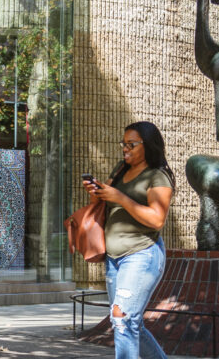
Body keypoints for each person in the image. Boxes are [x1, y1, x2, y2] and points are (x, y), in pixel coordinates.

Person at [84, 121, 174, 359]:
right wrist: (96, 193)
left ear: (148, 145)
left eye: (131, 144)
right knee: (128, 322)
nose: (125, 149)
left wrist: (120, 197)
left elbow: (157, 220)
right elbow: (102, 205)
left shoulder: (158, 177)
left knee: (122, 318)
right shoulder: (120, 170)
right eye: (123, 144)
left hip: (141, 254)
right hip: (114, 258)